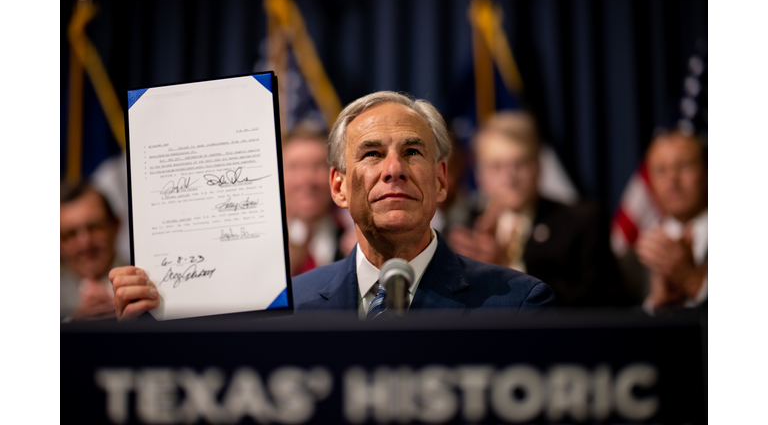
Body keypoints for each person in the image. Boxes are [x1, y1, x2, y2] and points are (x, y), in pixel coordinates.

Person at [109, 92, 555, 321]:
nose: (393, 169)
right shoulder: (288, 308)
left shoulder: (517, 305)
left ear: (441, 181)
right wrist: (153, 320)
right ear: (338, 187)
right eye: (372, 153)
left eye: (414, 152)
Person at [447, 111, 622, 307]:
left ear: (539, 166)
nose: (509, 178)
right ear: (479, 175)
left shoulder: (583, 222)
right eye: (496, 166)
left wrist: (508, 268)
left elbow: (603, 304)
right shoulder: (463, 232)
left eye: (520, 164)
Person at [635, 129, 707, 314]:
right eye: (661, 170)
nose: (672, 180)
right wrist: (656, 307)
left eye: (684, 166)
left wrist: (694, 282)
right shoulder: (632, 258)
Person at [282, 122, 355, 276]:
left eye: (318, 166)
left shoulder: (356, 237)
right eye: (295, 167)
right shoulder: (264, 246)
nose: (306, 180)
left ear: (336, 176)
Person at [61, 183, 123, 321]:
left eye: (93, 227)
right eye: (70, 234)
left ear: (116, 225)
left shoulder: (147, 280)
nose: (85, 243)